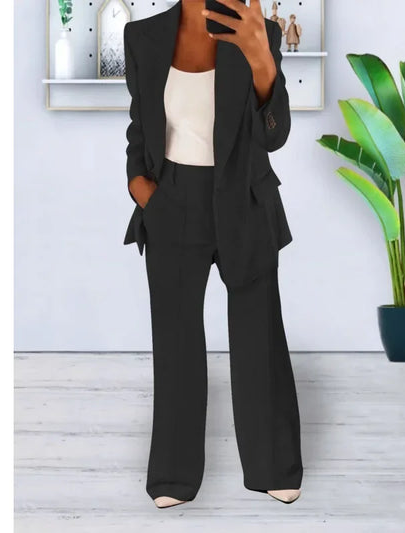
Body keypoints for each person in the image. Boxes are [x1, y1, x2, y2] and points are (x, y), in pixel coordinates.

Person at [123, 0, 303, 508]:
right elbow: (140, 127)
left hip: (244, 197)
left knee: (258, 336)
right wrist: (142, 189)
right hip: (172, 201)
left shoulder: (257, 30)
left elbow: (275, 135)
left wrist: (261, 56)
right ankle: (173, 475)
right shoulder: (143, 37)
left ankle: (274, 466)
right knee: (175, 340)